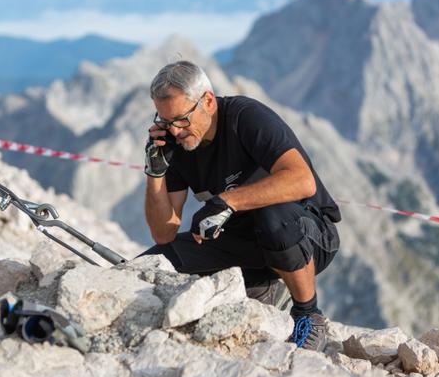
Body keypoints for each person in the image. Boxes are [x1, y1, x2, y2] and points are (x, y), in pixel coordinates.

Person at [141, 60, 341, 351]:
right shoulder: (178, 145)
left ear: (207, 101)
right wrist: (155, 172)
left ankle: (308, 315)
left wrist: (227, 201)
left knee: (274, 218)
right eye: (165, 122)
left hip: (308, 236)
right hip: (241, 244)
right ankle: (261, 288)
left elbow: (302, 181)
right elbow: (163, 233)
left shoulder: (246, 117)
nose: (174, 131)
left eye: (181, 120)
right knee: (155, 262)